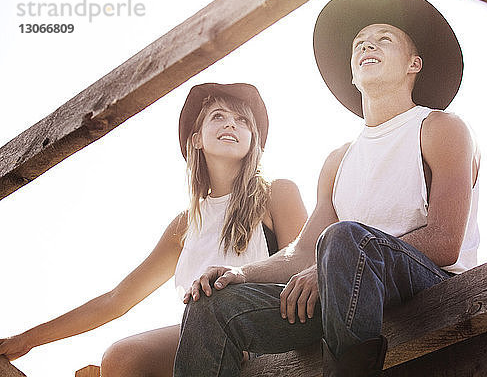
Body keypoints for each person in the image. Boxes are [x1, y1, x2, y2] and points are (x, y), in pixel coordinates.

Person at [174, 0, 480, 377]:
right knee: (211, 304)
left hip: (431, 289)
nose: (368, 45)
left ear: (413, 64)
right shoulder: (338, 161)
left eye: (384, 39)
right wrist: (240, 274)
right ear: (353, 73)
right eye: (359, 43)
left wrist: (339, 265)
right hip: (342, 300)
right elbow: (303, 252)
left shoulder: (439, 128)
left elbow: (445, 242)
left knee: (343, 239)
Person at [0, 83, 308, 376]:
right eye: (219, 116)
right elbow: (117, 299)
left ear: (254, 139)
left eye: (242, 120)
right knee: (121, 358)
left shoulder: (276, 193)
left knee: (139, 351)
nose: (231, 124)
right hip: (201, 335)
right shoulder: (185, 224)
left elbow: (300, 265)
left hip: (263, 325)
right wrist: (28, 340)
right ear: (196, 139)